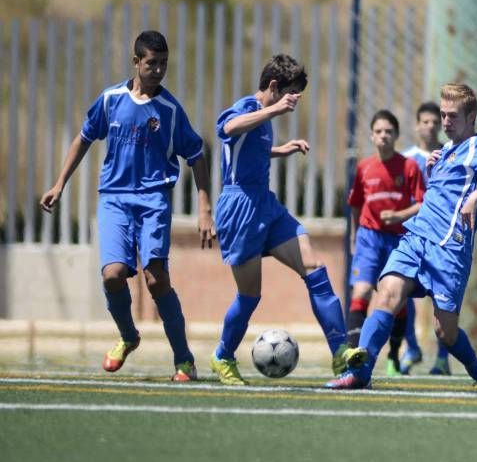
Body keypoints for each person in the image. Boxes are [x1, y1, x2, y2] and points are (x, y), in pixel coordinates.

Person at [40, 30, 214, 381]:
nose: (159, 70)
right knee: (113, 275)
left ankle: (184, 360)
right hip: (115, 200)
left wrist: (204, 207)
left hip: (153, 201)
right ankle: (128, 336)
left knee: (156, 279)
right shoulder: (110, 100)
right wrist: (60, 183)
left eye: (164, 63)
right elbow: (84, 138)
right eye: (152, 63)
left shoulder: (170, 110)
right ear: (136, 62)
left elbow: (197, 155)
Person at [325, 83, 477, 392]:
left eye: (453, 116)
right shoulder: (443, 152)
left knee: (446, 332)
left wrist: (475, 197)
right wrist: (435, 167)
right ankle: (359, 373)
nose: (445, 122)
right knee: (387, 293)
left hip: (450, 250)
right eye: (443, 115)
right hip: (416, 238)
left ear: (471, 118)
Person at [209, 54, 348, 385]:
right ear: (274, 86)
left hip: (267, 205)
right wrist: (273, 110)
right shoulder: (247, 107)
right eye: (292, 93)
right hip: (239, 207)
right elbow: (226, 129)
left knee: (314, 267)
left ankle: (341, 354)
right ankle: (222, 356)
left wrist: (281, 149)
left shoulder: (264, 119)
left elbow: (249, 148)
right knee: (250, 296)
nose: (294, 100)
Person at [346, 109, 425, 377]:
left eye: (388, 131)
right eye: (378, 131)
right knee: (362, 292)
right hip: (369, 238)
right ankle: (352, 354)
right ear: (371, 135)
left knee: (397, 301)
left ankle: (393, 355)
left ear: (396, 136)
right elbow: (356, 205)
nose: (383, 136)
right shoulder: (363, 168)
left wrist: (399, 215)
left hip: (399, 240)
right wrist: (355, 236)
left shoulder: (409, 167)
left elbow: (423, 204)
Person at [400, 101, 452, 376]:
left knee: (441, 295)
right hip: (412, 235)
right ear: (417, 125)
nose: (431, 126)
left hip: (442, 236)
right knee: (402, 290)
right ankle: (411, 347)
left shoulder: (450, 154)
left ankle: (443, 357)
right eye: (426, 121)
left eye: (435, 121)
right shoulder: (406, 159)